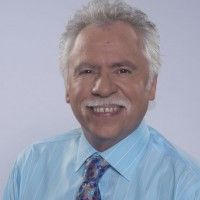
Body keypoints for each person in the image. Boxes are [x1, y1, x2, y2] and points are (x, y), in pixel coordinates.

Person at [3, 0, 200, 199]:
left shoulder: (188, 186)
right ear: (67, 87)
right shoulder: (31, 166)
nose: (103, 89)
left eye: (122, 70)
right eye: (87, 71)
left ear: (151, 85)